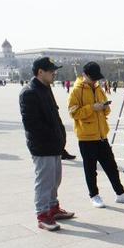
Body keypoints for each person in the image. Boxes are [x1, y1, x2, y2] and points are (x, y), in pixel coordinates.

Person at [68, 61, 124, 208]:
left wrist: (104, 108)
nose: (95, 81)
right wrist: (92, 108)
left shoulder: (98, 88)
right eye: (92, 78)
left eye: (96, 78)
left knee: (111, 166)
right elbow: (73, 113)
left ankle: (120, 193)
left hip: (101, 135)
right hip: (86, 137)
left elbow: (105, 107)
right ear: (84, 75)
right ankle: (94, 195)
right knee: (90, 169)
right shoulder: (76, 90)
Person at [19, 57, 74, 231]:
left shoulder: (45, 88)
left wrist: (60, 138)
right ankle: (43, 215)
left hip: (54, 144)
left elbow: (54, 115)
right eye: (51, 71)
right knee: (44, 181)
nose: (54, 73)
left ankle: (53, 208)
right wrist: (52, 137)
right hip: (42, 147)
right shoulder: (29, 92)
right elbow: (32, 124)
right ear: (40, 72)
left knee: (55, 180)